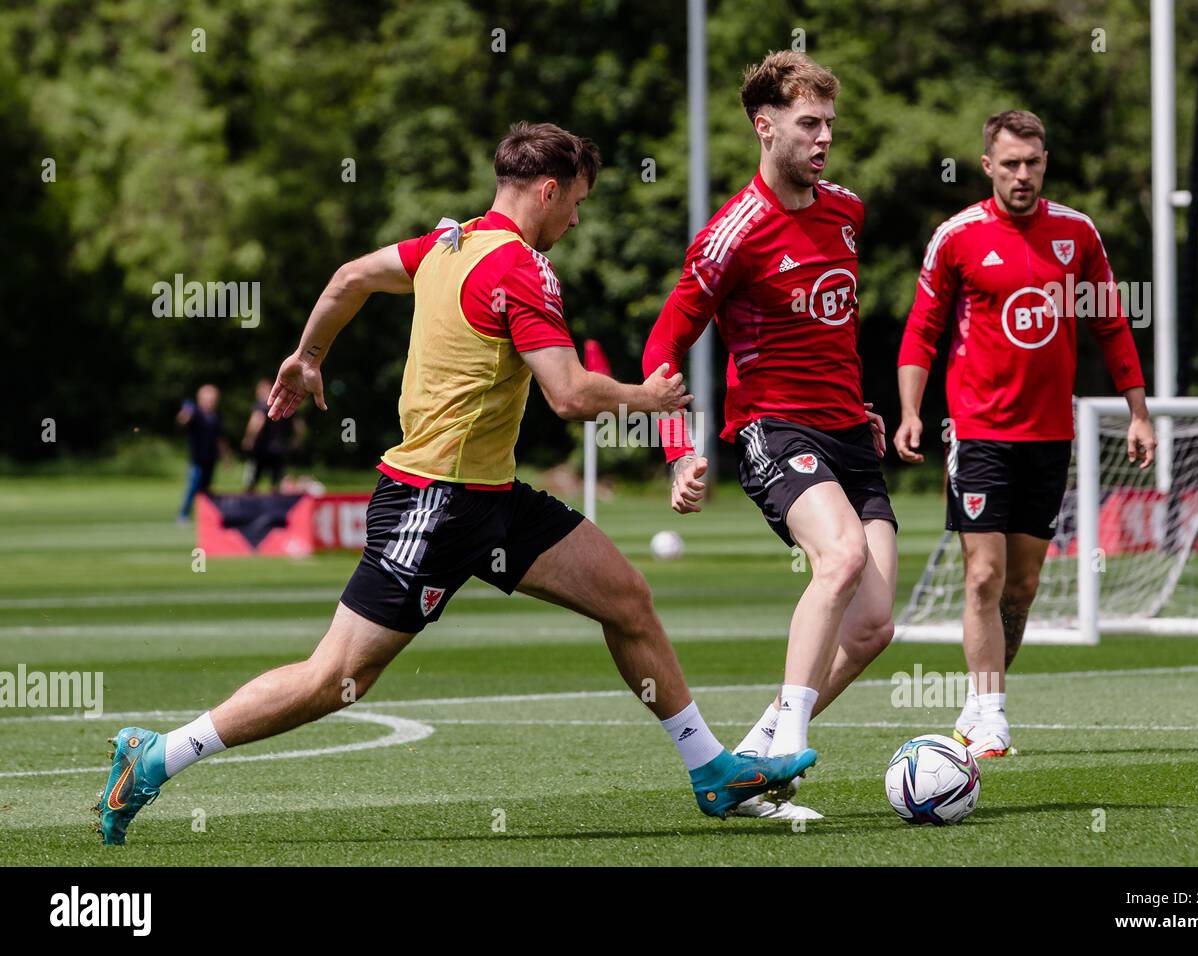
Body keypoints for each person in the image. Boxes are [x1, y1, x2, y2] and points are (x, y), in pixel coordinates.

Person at [96, 122, 815, 846]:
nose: (576, 220)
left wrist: (308, 354)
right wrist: (643, 398)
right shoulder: (518, 270)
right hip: (431, 503)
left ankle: (710, 772)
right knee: (335, 677)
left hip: (492, 498)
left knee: (627, 598)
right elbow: (567, 395)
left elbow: (350, 277)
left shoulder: (447, 244)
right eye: (578, 203)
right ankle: (158, 754)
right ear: (549, 189)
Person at [643, 52, 894, 820]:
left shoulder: (846, 210)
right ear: (765, 126)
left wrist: (862, 405)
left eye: (829, 125)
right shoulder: (732, 235)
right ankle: (783, 749)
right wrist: (680, 452)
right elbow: (661, 349)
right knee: (841, 555)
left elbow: (831, 329)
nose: (823, 139)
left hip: (850, 434)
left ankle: (749, 761)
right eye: (808, 124)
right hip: (772, 429)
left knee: (876, 626)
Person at [893, 109, 1155, 758]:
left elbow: (1112, 326)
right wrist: (911, 411)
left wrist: (1139, 412)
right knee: (983, 574)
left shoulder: (1077, 234)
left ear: (1045, 164)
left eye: (1032, 163)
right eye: (1009, 163)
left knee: (1023, 585)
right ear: (988, 166)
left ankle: (980, 704)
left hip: (1049, 435)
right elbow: (922, 330)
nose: (1022, 174)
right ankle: (993, 715)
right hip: (978, 431)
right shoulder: (957, 237)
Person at [241, 378, 301, 492]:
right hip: (279, 449)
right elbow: (299, 427)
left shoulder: (261, 406)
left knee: (252, 481)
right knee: (275, 482)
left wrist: (249, 439)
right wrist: (296, 440)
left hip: (261, 449)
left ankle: (247, 507)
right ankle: (275, 507)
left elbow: (257, 421)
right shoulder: (285, 405)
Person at [176, 384, 223, 521]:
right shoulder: (195, 412)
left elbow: (220, 438)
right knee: (193, 487)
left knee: (206, 489)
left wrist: (225, 456)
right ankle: (183, 514)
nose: (211, 402)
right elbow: (183, 420)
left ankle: (204, 516)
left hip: (211, 457)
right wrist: (186, 412)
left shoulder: (215, 416)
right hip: (197, 458)